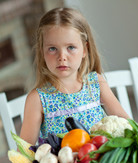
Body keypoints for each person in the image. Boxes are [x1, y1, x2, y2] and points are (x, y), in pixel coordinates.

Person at [20, 7, 130, 145]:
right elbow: (25, 154)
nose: (62, 57)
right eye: (52, 49)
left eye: (70, 47)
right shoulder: (37, 99)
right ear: (42, 52)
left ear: (85, 49)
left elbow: (127, 125)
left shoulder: (96, 83)